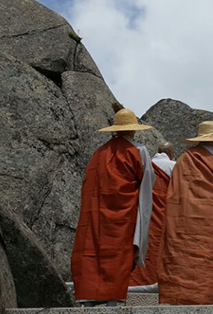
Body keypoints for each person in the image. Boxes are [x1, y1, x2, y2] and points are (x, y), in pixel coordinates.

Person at [71, 108, 155, 307]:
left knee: (94, 252)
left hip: (97, 213)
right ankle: (112, 301)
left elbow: (89, 184)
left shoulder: (99, 152)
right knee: (118, 254)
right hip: (123, 214)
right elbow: (148, 180)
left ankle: (90, 300)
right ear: (134, 130)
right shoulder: (139, 150)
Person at [158, 121, 213, 304]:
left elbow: (174, 195)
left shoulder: (185, 158)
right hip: (209, 224)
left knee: (183, 264)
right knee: (204, 263)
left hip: (183, 224)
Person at [129, 142, 177, 291]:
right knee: (160, 246)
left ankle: (136, 281)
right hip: (165, 214)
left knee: (144, 243)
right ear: (171, 154)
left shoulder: (146, 165)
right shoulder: (174, 166)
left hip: (144, 212)